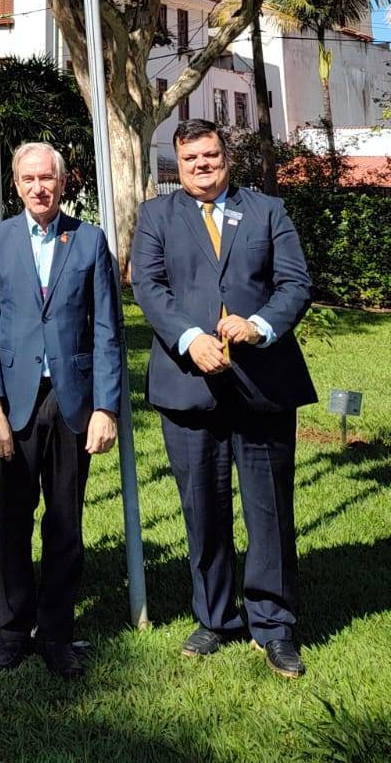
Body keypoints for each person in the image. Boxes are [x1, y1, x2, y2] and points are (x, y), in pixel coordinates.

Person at [130, 118, 316, 678]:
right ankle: (214, 618)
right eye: (190, 160)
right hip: (189, 385)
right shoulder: (156, 216)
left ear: (226, 157)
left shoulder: (269, 212)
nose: (201, 167)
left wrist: (258, 326)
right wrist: (191, 340)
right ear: (177, 164)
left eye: (210, 156)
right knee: (202, 511)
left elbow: (296, 284)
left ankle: (273, 624)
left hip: (262, 385)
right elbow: (149, 286)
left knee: (270, 511)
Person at [0, 142, 122, 678]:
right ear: (16, 185)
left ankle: (56, 632)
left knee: (64, 521)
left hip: (72, 399)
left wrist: (106, 407)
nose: (39, 187)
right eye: (29, 179)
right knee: (12, 519)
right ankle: (13, 632)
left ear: (62, 184)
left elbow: (107, 331)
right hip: (13, 400)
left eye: (47, 179)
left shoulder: (89, 240)